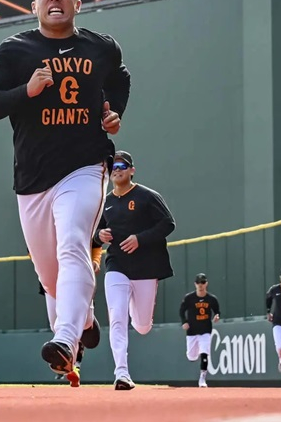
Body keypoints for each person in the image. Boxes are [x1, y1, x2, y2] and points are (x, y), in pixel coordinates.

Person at [0, 0, 131, 377]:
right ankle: (85, 319)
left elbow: (120, 79)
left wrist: (113, 111)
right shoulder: (15, 50)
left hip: (85, 166)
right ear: (34, 5)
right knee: (50, 277)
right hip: (32, 178)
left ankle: (65, 338)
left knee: (74, 243)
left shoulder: (101, 48)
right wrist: (26, 91)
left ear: (78, 3)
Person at [94, 151, 175, 390]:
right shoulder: (105, 202)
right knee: (117, 317)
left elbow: (168, 223)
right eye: (113, 166)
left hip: (146, 267)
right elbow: (94, 232)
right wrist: (99, 235)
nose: (117, 170)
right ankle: (121, 373)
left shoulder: (147, 196)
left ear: (132, 170)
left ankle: (138, 314)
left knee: (142, 325)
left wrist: (141, 238)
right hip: (117, 265)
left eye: (122, 165)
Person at [37, 240, 103, 387]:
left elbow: (94, 240)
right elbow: (33, 248)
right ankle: (69, 364)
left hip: (75, 272)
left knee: (71, 323)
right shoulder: (40, 227)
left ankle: (75, 364)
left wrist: (95, 260)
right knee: (56, 325)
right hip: (51, 275)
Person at [179, 273, 221, 388]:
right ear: (195, 284)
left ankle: (202, 378)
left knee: (204, 353)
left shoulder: (211, 299)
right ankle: (197, 351)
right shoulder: (189, 298)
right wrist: (184, 322)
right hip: (192, 331)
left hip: (205, 330)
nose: (200, 285)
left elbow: (217, 311)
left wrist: (217, 316)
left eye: (202, 282)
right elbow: (182, 311)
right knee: (191, 357)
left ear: (206, 284)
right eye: (198, 282)